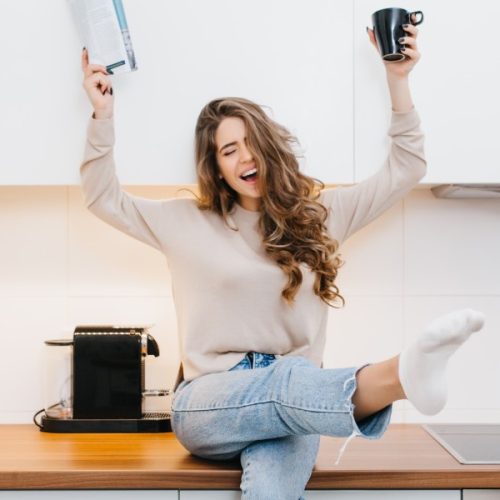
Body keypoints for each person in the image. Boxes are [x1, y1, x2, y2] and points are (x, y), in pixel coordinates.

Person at [80, 22, 485, 500]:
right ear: (217, 166)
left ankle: (399, 376)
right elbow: (103, 198)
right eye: (229, 150)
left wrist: (399, 80)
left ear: (270, 148)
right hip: (209, 404)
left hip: (296, 409)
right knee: (294, 380)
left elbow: (406, 168)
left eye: (252, 143)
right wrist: (101, 114)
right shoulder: (185, 222)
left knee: (274, 485)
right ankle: (399, 376)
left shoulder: (322, 216)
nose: (244, 158)